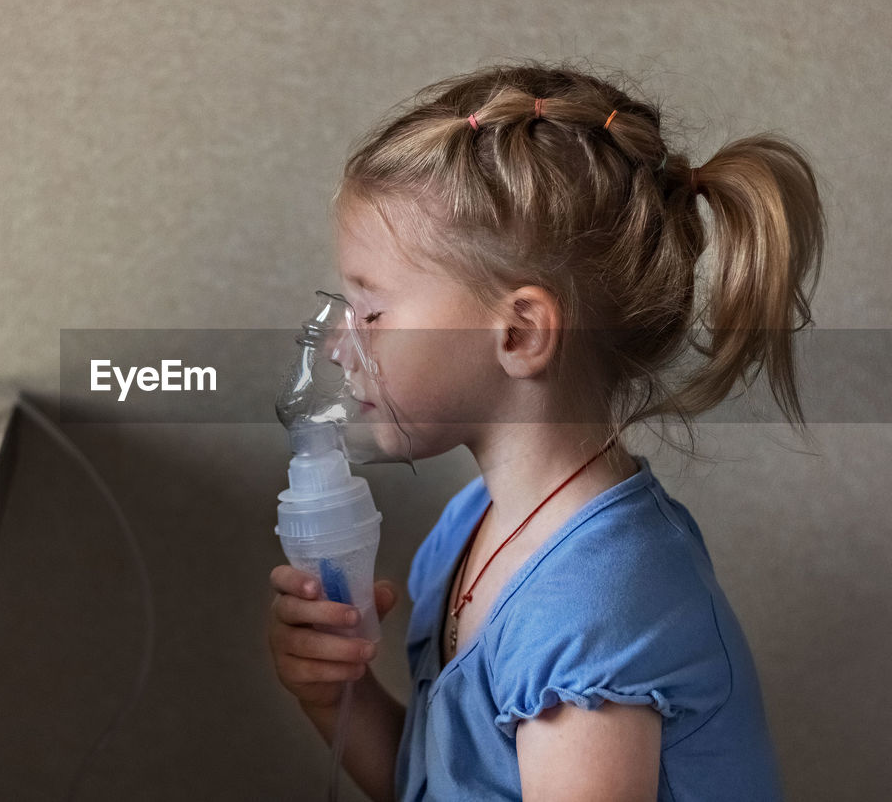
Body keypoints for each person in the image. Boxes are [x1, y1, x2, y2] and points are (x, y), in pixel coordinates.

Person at [267, 60, 824, 801]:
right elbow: (447, 783)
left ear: (521, 332)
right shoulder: (473, 528)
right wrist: (337, 695)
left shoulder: (591, 612)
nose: (340, 345)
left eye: (373, 311)